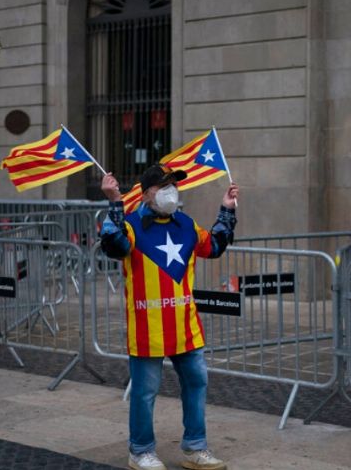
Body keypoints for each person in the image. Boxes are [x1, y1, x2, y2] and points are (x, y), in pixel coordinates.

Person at [100, 164, 239, 470]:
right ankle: (140, 451)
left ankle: (195, 447)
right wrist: (114, 202)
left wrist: (226, 210)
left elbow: (214, 245)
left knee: (196, 382)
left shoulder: (186, 224)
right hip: (147, 327)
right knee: (145, 391)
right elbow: (113, 244)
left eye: (174, 185)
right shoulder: (131, 224)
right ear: (147, 193)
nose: (171, 191)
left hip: (185, 326)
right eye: (164, 186)